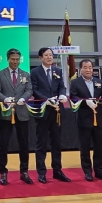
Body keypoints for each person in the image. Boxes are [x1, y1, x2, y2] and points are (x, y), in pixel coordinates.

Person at [0, 48, 34, 185]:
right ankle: (3, 173)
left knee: (24, 144)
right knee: (3, 144)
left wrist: (23, 98)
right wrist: (4, 99)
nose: (15, 62)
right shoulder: (1, 74)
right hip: (6, 113)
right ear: (8, 59)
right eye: (13, 59)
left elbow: (29, 90)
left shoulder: (25, 74)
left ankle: (24, 171)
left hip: (22, 113)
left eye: (17, 59)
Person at [30, 47, 70, 183]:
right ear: (40, 58)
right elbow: (34, 90)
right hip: (42, 111)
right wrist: (46, 100)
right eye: (46, 55)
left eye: (51, 55)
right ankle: (41, 172)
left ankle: (57, 170)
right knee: (41, 143)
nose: (49, 57)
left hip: (56, 111)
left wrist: (62, 94)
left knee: (56, 142)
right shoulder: (35, 72)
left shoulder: (57, 71)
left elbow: (62, 86)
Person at [69, 59, 102, 182]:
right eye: (85, 67)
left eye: (90, 67)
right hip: (84, 119)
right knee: (85, 147)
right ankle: (87, 171)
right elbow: (73, 97)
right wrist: (84, 101)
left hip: (98, 118)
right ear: (80, 69)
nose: (88, 70)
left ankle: (99, 171)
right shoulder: (75, 82)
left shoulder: (98, 81)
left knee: (99, 146)